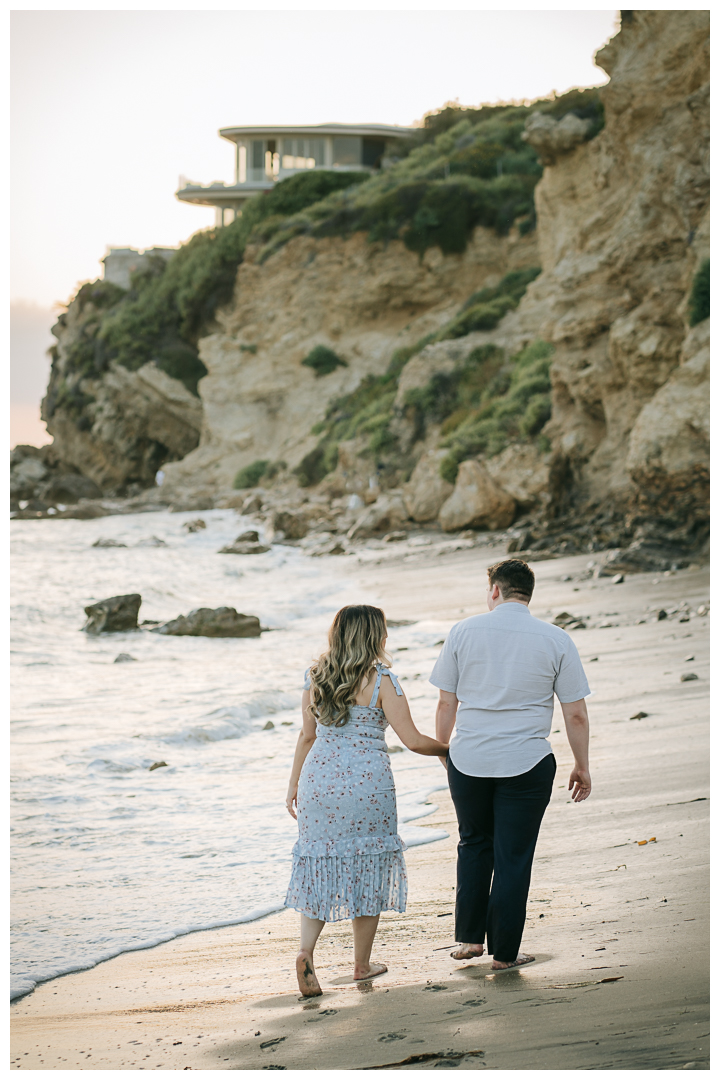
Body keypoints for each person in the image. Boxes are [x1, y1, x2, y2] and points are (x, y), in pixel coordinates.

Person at [430, 559, 591, 971]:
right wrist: (581, 765)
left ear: (495, 591)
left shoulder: (463, 632)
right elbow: (575, 713)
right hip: (527, 760)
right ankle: (504, 953)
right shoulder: (556, 639)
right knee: (513, 855)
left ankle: (468, 940)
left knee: (473, 843)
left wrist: (446, 752)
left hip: (469, 760)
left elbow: (447, 702)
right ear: (527, 594)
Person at [285, 604, 449, 997]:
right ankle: (361, 964)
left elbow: (307, 736)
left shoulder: (315, 677)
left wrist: (293, 785)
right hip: (367, 787)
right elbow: (412, 740)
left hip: (318, 783)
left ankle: (306, 950)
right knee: (369, 864)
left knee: (319, 862)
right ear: (375, 635)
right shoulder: (382, 681)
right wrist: (449, 750)